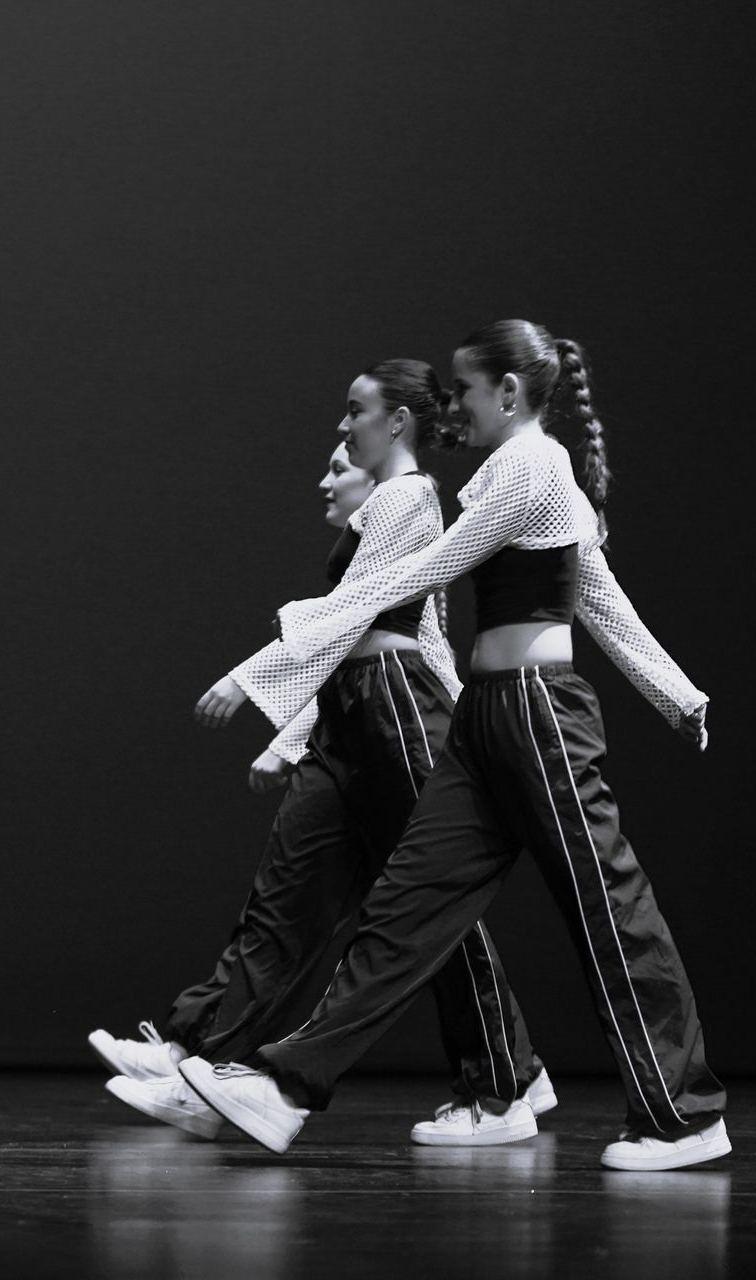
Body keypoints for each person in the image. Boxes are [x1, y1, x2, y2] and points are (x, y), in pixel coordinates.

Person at [178, 321, 727, 1172]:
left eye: (467, 392)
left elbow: (435, 570)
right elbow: (598, 597)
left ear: (509, 394)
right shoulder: (527, 472)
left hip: (541, 715)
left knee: (606, 908)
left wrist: (291, 635)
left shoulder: (531, 466)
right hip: (487, 721)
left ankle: (683, 1115)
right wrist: (681, 696)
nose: (455, 408)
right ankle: (285, 1087)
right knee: (406, 906)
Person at [97, 365, 548, 1148]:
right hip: (353, 707)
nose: (344, 428)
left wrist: (251, 680)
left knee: (425, 907)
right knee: (288, 894)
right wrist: (296, 735)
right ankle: (196, 1055)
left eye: (356, 412)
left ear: (399, 421)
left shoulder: (410, 498)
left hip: (399, 706)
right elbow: (350, 635)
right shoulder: (386, 505)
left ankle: (506, 1075)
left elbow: (358, 612)